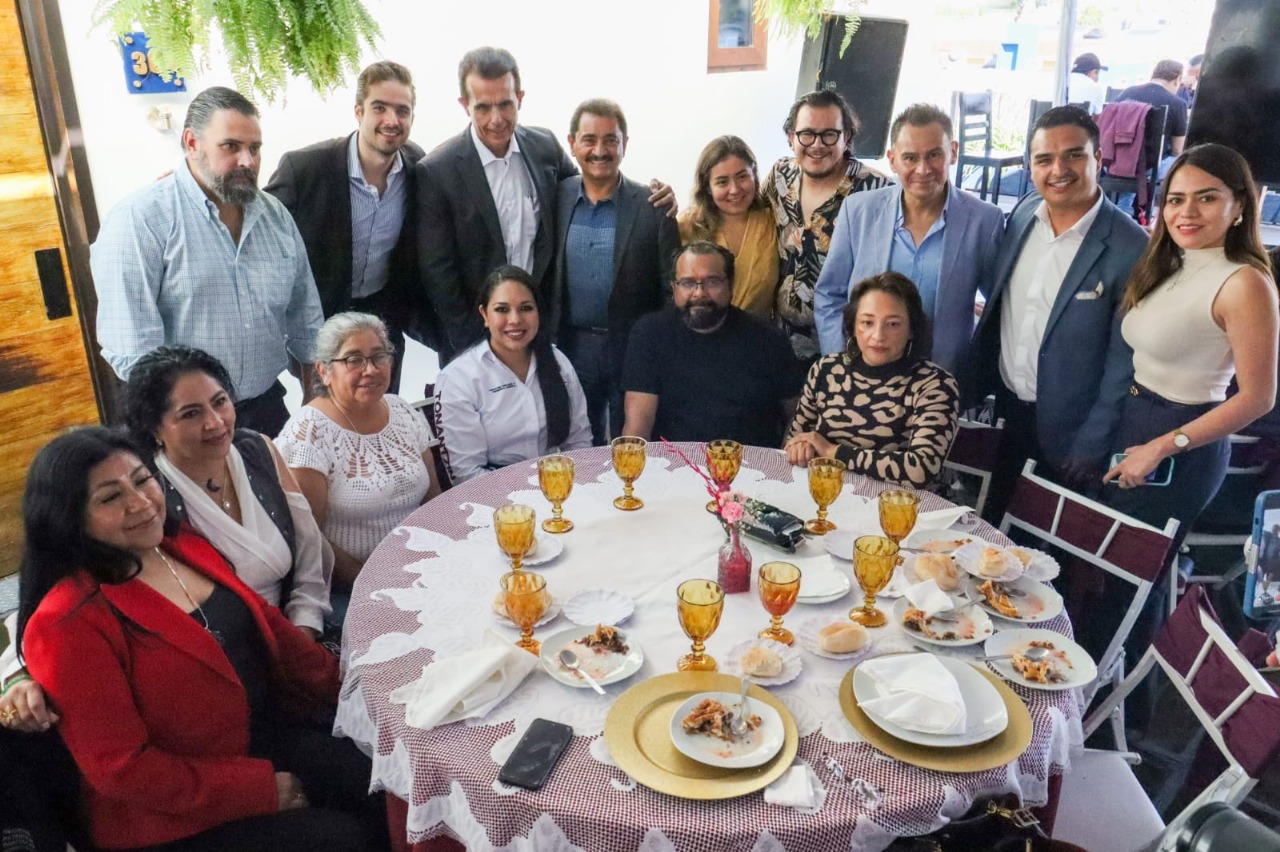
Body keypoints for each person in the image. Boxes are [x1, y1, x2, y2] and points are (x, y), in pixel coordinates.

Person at [15, 428, 383, 851]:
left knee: (377, 779)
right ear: (68, 517)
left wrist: (357, 689)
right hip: (169, 813)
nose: (140, 503)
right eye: (109, 497)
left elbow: (268, 625)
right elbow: (123, 770)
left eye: (141, 480)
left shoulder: (180, 544)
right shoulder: (68, 622)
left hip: (255, 736)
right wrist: (257, 790)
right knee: (340, 840)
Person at [416, 47, 674, 362]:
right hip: (476, 345)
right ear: (464, 105)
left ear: (520, 98)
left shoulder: (544, 147)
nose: (496, 119)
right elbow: (439, 275)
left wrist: (652, 196)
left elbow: (592, 186)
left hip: (545, 338)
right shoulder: (437, 171)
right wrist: (475, 350)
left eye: (506, 104)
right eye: (483, 107)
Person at [92, 86, 323, 436]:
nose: (247, 160)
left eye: (254, 148)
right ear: (191, 142)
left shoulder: (275, 217)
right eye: (231, 146)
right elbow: (135, 353)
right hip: (180, 423)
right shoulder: (140, 220)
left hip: (266, 410)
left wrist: (313, 409)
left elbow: (307, 321)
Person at [968, 106, 1148, 516]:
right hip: (1009, 411)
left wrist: (1091, 443)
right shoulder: (1023, 214)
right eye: (1044, 159)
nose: (1058, 169)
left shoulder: (1131, 248)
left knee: (1049, 550)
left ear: (1098, 159)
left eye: (1074, 155)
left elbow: (1126, 362)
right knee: (993, 531)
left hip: (1072, 432)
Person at [1103, 144, 1278, 540]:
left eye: (1207, 198)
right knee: (1102, 559)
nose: (1187, 212)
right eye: (1176, 200)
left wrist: (1164, 445)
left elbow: (1258, 398)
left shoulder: (1244, 282)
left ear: (1240, 207)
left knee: (1131, 572)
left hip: (1184, 437)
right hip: (1134, 416)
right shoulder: (1169, 261)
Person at [120, 345, 332, 639]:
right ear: (155, 428)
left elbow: (311, 559)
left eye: (219, 402)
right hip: (221, 652)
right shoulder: (147, 495)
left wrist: (303, 631)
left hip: (297, 633)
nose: (215, 422)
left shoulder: (259, 450)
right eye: (191, 413)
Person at [264, 61, 432, 393]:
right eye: (379, 108)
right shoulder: (305, 169)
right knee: (325, 415)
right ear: (358, 111)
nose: (391, 120)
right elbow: (258, 227)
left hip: (381, 323)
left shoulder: (417, 167)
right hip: (320, 321)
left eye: (403, 111)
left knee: (380, 411)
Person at [812, 104, 1003, 376]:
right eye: (910, 158)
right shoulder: (859, 211)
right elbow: (830, 293)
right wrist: (843, 362)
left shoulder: (984, 221)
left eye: (934, 155)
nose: (923, 169)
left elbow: (999, 308)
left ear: (954, 152)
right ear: (892, 159)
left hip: (942, 379)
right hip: (864, 375)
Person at [276, 313, 440, 628]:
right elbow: (312, 539)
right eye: (354, 359)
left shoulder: (402, 411)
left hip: (423, 567)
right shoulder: (309, 432)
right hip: (353, 585)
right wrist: (376, 579)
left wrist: (437, 562)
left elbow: (434, 501)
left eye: (379, 356)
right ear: (323, 371)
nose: (371, 369)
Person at [548, 99, 680, 445]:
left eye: (611, 140)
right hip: (571, 346)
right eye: (589, 140)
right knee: (576, 441)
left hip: (632, 347)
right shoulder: (556, 197)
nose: (600, 150)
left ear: (625, 144)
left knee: (632, 445)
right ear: (572, 143)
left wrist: (661, 349)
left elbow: (672, 287)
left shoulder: (653, 206)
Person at [621, 241, 804, 446]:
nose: (700, 293)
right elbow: (637, 427)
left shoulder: (769, 340)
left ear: (731, 285)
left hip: (751, 467)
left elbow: (797, 418)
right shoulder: (649, 334)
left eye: (712, 282)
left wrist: (780, 467)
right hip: (673, 467)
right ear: (674, 288)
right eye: (688, 283)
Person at [787, 272, 959, 488]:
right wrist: (801, 448)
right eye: (867, 322)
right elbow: (796, 439)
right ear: (852, 327)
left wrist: (833, 452)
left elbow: (921, 469)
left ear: (912, 329)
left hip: (901, 509)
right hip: (825, 494)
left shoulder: (935, 384)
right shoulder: (826, 369)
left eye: (893, 324)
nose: (878, 336)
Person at [763, 89, 891, 364]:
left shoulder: (877, 189)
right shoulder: (779, 176)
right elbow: (738, 212)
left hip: (846, 347)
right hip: (780, 344)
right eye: (806, 133)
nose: (817, 145)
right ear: (790, 137)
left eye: (829, 134)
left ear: (847, 137)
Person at [435, 267, 591, 482]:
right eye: (502, 309)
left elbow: (579, 443)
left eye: (526, 308)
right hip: (495, 501)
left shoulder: (557, 361)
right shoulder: (458, 378)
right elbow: (467, 474)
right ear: (484, 315)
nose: (515, 319)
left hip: (559, 489)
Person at [677, 135, 779, 319]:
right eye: (722, 182)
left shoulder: (772, 221)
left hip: (758, 339)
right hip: (701, 339)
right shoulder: (686, 227)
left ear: (754, 175)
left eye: (742, 177)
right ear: (707, 187)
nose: (735, 189)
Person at [1116, 60, 1189, 167]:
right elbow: (1177, 150)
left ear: (1153, 75)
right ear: (1178, 79)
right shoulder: (1178, 103)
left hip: (1117, 161)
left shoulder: (1127, 92)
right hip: (1150, 167)